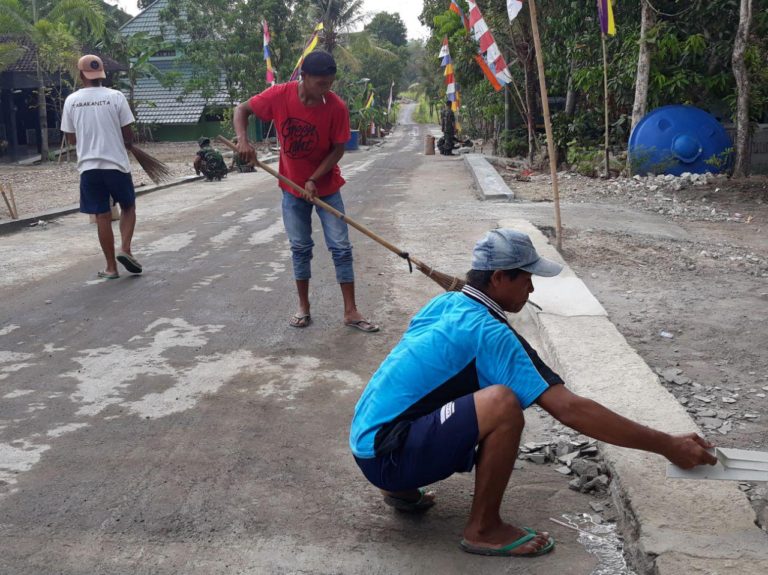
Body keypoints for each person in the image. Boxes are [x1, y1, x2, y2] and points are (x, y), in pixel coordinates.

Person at [349, 228, 717, 558]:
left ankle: (402, 490)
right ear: (498, 278)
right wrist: (667, 445)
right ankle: (483, 529)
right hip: (389, 458)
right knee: (503, 405)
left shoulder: (445, 304)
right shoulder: (490, 333)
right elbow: (569, 408)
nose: (532, 289)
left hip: (368, 443)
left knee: (450, 387)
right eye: (526, 279)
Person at [233, 50, 378, 332]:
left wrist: (314, 178)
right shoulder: (279, 95)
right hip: (291, 188)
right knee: (300, 248)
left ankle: (351, 311)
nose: (327, 89)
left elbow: (338, 150)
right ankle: (303, 307)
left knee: (340, 248)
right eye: (321, 83)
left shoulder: (336, 107)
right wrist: (243, 140)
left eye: (330, 83)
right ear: (305, 77)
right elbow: (242, 110)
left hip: (326, 187)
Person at [61, 54, 142, 279]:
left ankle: (111, 268)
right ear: (102, 73)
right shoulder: (116, 97)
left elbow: (71, 139)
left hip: (88, 167)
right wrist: (124, 142)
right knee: (128, 207)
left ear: (80, 75)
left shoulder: (71, 100)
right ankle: (125, 249)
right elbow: (128, 134)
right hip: (116, 164)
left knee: (102, 216)